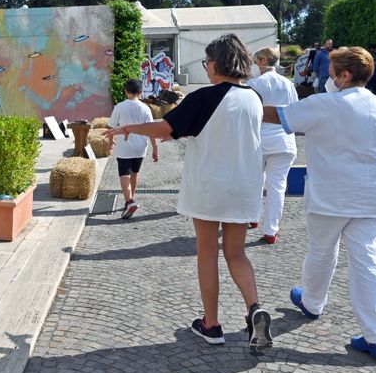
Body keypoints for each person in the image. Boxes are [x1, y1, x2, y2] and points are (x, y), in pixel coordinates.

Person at [104, 34, 273, 353]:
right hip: (244, 185)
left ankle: (211, 324)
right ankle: (254, 308)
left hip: (210, 186)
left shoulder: (204, 97)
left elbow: (164, 127)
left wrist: (126, 129)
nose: (206, 68)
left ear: (218, 62)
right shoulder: (252, 97)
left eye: (207, 62)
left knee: (207, 252)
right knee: (236, 253)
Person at [264, 46, 376, 359]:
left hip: (331, 195)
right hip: (371, 195)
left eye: (331, 72)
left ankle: (312, 302)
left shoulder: (325, 103)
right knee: (367, 261)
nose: (327, 77)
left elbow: (277, 116)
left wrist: (237, 102)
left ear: (345, 76)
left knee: (322, 251)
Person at [247, 47, 299, 245]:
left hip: (259, 139)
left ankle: (252, 217)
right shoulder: (288, 84)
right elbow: (295, 111)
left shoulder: (254, 84)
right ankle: (271, 230)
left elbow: (249, 113)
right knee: (277, 186)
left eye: (256, 60)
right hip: (284, 139)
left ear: (263, 61)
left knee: (254, 180)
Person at [107, 78, 159, 219]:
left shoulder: (120, 107)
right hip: (141, 147)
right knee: (135, 173)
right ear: (141, 92)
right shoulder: (145, 108)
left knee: (124, 174)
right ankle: (131, 199)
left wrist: (110, 142)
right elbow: (151, 130)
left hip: (124, 146)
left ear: (126, 92)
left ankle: (129, 201)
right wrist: (155, 149)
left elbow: (111, 127)